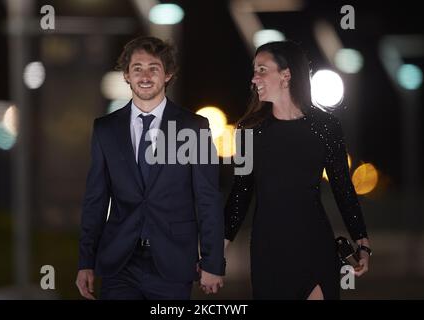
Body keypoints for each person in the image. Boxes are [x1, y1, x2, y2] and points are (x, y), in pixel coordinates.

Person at [76, 36, 225, 300]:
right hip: (120, 263)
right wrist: (85, 261)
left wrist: (213, 263)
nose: (145, 76)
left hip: (173, 263)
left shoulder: (194, 127)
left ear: (168, 74)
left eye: (153, 68)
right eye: (137, 69)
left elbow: (208, 198)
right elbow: (95, 200)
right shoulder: (105, 129)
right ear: (126, 75)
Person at [224, 40, 371, 300]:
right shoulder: (248, 131)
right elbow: (241, 192)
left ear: (286, 75)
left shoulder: (326, 126)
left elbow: (342, 187)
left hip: (315, 246)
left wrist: (362, 241)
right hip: (268, 252)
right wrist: (216, 249)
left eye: (261, 70)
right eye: (254, 70)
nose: (254, 78)